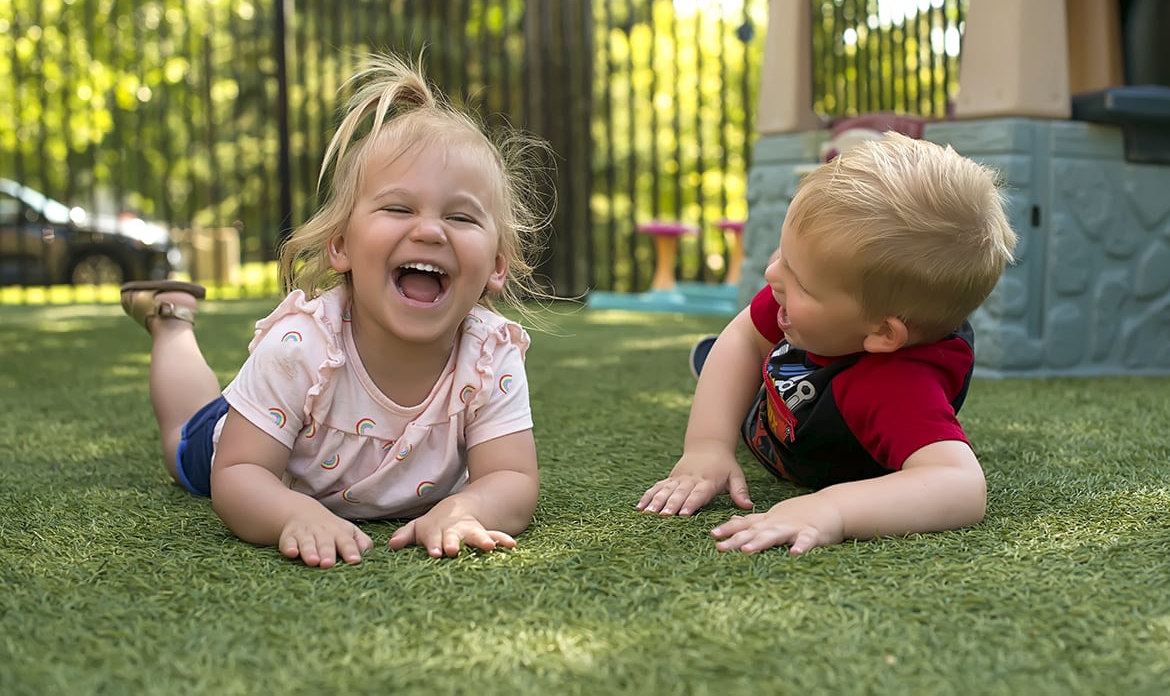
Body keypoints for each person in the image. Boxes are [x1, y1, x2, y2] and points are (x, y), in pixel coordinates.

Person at [120, 53, 553, 568]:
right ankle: (172, 320)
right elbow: (237, 474)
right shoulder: (301, 348)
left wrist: (466, 506)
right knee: (182, 441)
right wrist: (290, 513)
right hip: (251, 440)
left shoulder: (489, 356)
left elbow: (513, 479)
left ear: (497, 266)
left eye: (460, 216)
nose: (431, 231)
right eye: (398, 208)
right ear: (341, 245)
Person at [637, 132, 1018, 555]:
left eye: (799, 280)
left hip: (816, 419)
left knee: (759, 367)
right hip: (772, 400)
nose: (772, 276)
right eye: (781, 255)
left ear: (882, 334)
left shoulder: (899, 389)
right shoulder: (797, 303)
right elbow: (745, 336)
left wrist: (830, 509)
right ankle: (727, 368)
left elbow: (961, 486)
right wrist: (707, 447)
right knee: (733, 360)